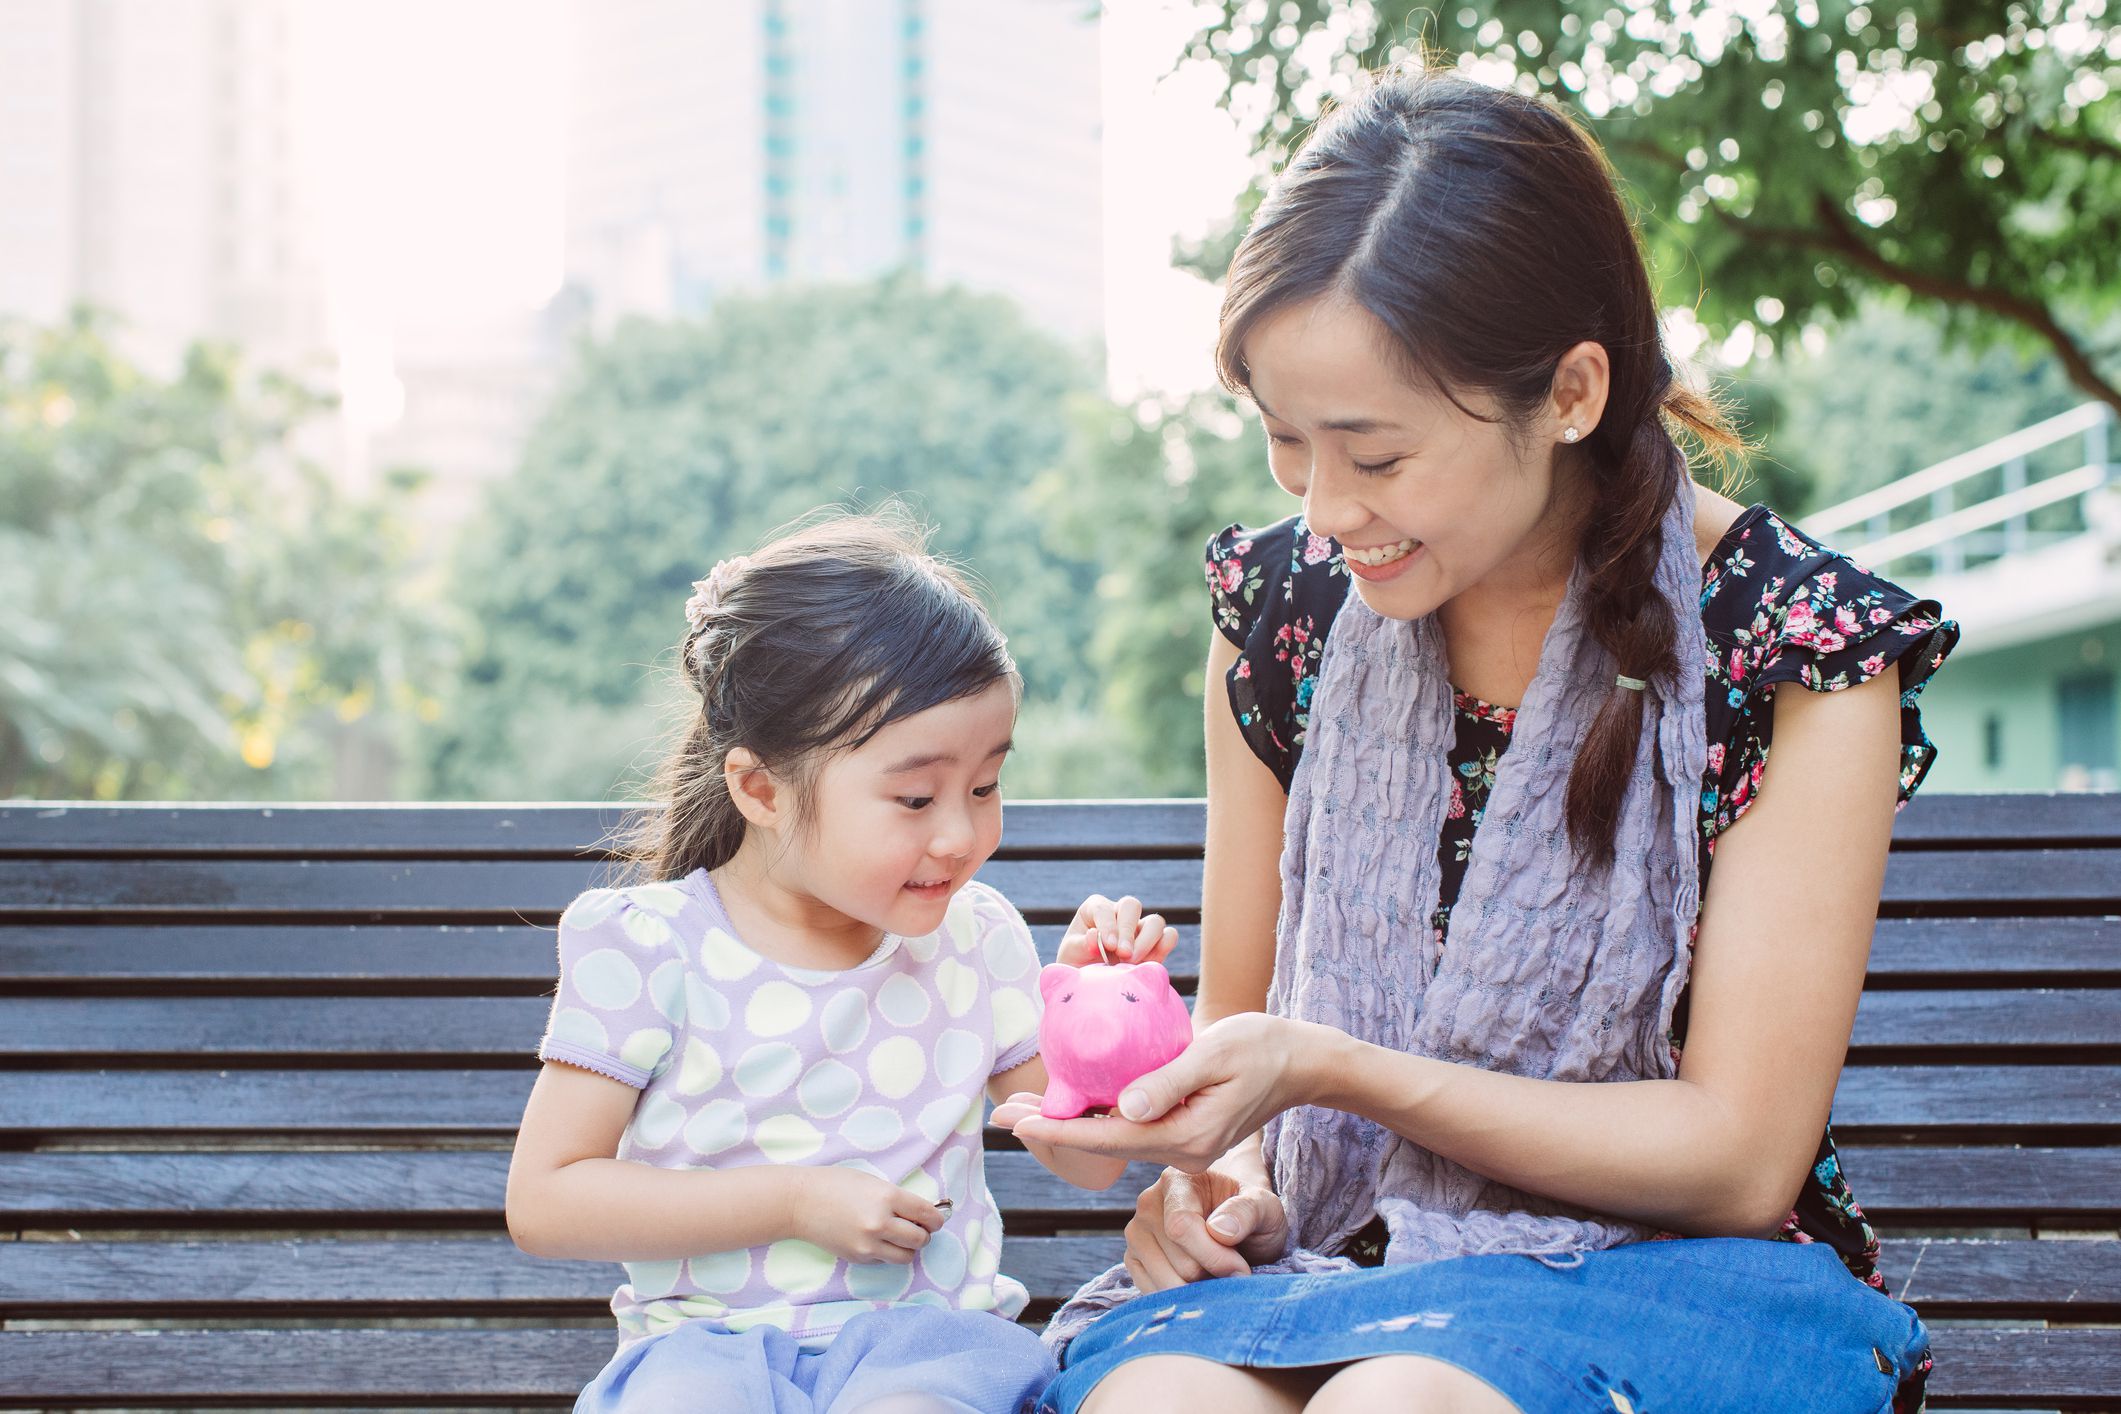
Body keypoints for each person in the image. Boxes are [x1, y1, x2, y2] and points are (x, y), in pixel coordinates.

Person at [999, 68, 1957, 1414]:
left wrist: (1329, 1069)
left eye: (1375, 456)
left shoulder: (1792, 642)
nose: (1326, 508)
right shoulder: (1281, 615)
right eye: (1286, 444)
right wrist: (1219, 1184)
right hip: (1339, 1260)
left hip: (1678, 1279)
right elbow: (1245, 1040)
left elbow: (1737, 1157)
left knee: (1400, 1403)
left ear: (1569, 392)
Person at [505, 513, 1176, 1414]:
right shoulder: (650, 944)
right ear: (760, 789)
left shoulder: (975, 939)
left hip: (931, 1347)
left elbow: (1089, 1165)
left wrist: (1093, 1011)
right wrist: (791, 1202)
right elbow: (548, 1201)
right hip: (703, 1355)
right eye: (913, 796)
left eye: (984, 787)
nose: (960, 833)